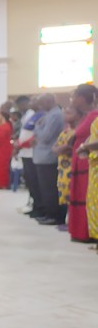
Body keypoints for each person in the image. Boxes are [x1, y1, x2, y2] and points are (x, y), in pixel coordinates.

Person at [67, 85, 98, 243]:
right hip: (81, 160)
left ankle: (86, 232)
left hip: (88, 163)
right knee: (80, 194)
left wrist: (84, 146)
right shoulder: (87, 115)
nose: (72, 100)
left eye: (74, 96)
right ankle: (79, 230)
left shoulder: (94, 115)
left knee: (86, 196)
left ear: (82, 98)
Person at [31, 94, 64, 226]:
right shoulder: (49, 114)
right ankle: (48, 213)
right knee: (44, 188)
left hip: (48, 157)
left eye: (41, 103)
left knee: (50, 189)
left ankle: (53, 215)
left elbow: (45, 137)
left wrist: (38, 127)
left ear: (48, 101)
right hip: (42, 156)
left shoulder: (55, 115)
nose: (40, 106)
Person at [55, 106, 81, 231]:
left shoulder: (77, 132)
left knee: (72, 194)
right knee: (64, 194)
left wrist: (61, 148)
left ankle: (73, 222)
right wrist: (61, 149)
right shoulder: (65, 132)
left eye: (69, 113)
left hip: (72, 167)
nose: (65, 115)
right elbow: (55, 148)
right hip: (62, 169)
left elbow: (70, 149)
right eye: (65, 113)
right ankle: (68, 221)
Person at [16, 97, 41, 215]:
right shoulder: (27, 115)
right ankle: (33, 204)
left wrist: (21, 144)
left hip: (31, 152)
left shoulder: (34, 114)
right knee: (29, 181)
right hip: (25, 152)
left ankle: (38, 206)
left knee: (34, 181)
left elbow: (35, 135)